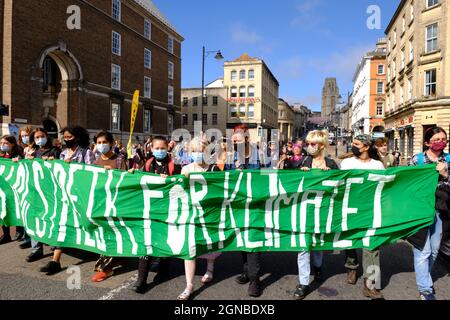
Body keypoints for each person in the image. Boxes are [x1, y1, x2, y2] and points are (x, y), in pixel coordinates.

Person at [39, 126, 95, 276]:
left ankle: (93, 249)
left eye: (70, 137)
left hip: (82, 195)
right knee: (63, 223)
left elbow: (92, 174)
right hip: (66, 194)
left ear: (77, 137)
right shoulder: (63, 153)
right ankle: (55, 261)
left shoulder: (86, 152)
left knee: (86, 223)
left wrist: (74, 166)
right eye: (65, 137)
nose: (66, 139)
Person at [294, 130, 339, 300]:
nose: (309, 147)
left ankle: (318, 267)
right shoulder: (303, 162)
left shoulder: (331, 163)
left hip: (323, 211)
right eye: (308, 143)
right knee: (303, 246)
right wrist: (300, 174)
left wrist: (331, 175)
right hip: (304, 210)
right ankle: (303, 282)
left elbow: (341, 186)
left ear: (321, 145)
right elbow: (290, 183)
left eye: (312, 144)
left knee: (318, 243)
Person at [132, 136, 181, 293]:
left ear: (167, 148)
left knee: (164, 240)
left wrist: (171, 180)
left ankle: (164, 269)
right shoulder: (147, 164)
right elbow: (137, 180)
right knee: (146, 243)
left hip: (168, 209)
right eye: (156, 148)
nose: (159, 151)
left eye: (162, 148)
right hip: (150, 209)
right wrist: (131, 173)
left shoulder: (175, 164)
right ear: (151, 149)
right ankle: (141, 280)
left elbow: (181, 183)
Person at [176, 137, 222, 300]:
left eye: (200, 151)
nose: (197, 154)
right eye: (194, 151)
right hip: (191, 214)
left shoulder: (214, 169)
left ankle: (209, 268)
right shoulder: (186, 169)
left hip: (209, 213)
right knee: (190, 247)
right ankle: (189, 285)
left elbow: (221, 191)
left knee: (209, 243)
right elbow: (179, 190)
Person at [340, 134, 385, 300]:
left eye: (356, 143)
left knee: (372, 245)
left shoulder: (378, 165)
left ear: (366, 147)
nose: (353, 146)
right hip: (350, 208)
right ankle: (351, 266)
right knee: (351, 240)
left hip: (370, 210)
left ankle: (371, 284)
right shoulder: (346, 163)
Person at [408, 127, 449, 300]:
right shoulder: (417, 160)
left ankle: (425, 277)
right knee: (422, 251)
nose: (441, 142)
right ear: (427, 143)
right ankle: (425, 289)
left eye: (444, 139)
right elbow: (407, 185)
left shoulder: (448, 159)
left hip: (441, 210)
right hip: (420, 211)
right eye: (436, 139)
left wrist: (445, 174)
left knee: (433, 251)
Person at [91, 131, 127, 282]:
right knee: (104, 234)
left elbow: (126, 179)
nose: (101, 145)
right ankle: (111, 261)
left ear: (111, 143)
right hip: (101, 203)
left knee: (113, 233)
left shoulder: (119, 160)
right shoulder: (95, 161)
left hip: (117, 203)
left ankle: (106, 268)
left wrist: (114, 173)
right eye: (98, 143)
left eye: (104, 142)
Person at [22, 128, 61, 261]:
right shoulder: (34, 152)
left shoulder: (55, 151)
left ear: (47, 136)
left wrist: (52, 161)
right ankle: (36, 249)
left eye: (42, 136)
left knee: (53, 218)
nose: (39, 139)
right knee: (35, 218)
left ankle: (55, 244)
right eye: (37, 137)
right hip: (36, 190)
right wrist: (24, 161)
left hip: (51, 191)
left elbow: (62, 169)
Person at [0, 135, 24, 245]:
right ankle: (6, 234)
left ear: (12, 144)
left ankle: (20, 230)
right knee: (3, 209)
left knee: (16, 208)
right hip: (3, 187)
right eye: (1, 143)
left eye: (5, 143)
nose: (2, 145)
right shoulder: (2, 155)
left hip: (14, 187)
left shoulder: (18, 155)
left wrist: (18, 162)